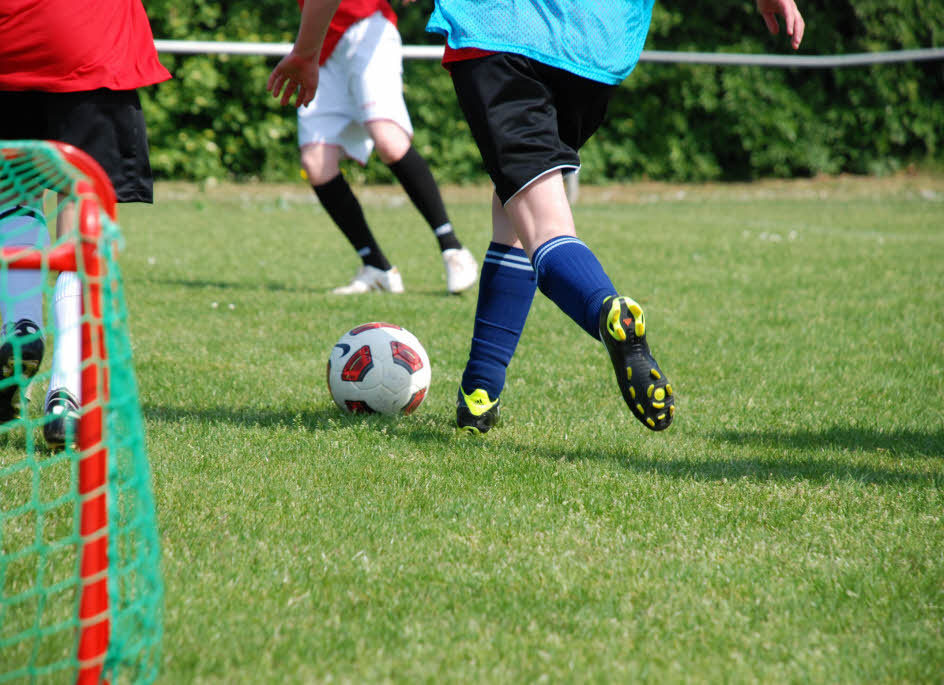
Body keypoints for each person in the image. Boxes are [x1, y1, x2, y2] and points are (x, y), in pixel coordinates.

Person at [421, 0, 805, 433]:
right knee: (519, 200)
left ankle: (607, 310)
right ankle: (479, 392)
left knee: (542, 222)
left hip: (502, 28)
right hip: (592, 46)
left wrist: (322, 52)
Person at [0, 0, 171, 448]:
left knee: (17, 189)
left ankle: (22, 327)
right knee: (80, 196)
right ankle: (65, 395)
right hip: (83, 37)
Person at [268, 0, 478, 296]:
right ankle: (376, 267)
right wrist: (306, 51)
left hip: (365, 27)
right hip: (318, 40)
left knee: (389, 140)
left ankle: (452, 248)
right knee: (316, 163)